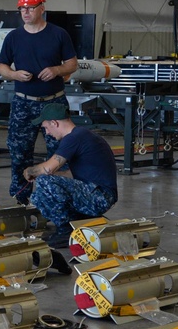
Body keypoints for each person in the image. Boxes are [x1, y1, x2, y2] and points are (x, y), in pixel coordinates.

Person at [0, 0, 78, 204]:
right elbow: (1, 65)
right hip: (24, 104)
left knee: (60, 154)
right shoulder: (14, 37)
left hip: (54, 103)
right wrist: (13, 74)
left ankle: (56, 200)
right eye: (22, 8)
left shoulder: (58, 34)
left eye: (30, 8)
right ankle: (21, 200)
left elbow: (72, 63)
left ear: (42, 8)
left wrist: (57, 70)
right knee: (19, 153)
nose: (25, 12)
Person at [22, 103, 118, 247]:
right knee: (38, 197)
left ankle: (65, 230)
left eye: (46, 128)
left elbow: (48, 169)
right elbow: (70, 174)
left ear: (54, 123)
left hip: (101, 196)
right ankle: (79, 221)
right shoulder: (81, 135)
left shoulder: (74, 138)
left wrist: (29, 171)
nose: (47, 133)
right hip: (96, 192)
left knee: (44, 181)